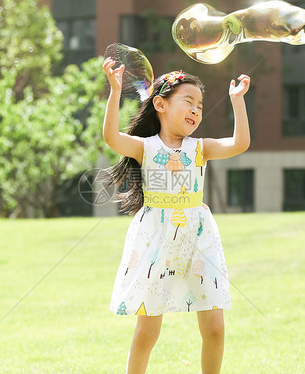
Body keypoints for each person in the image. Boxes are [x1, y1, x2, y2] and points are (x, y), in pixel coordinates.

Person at [102, 56, 251, 374]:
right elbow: (112, 138)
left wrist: (237, 101)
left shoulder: (200, 148)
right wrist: (115, 91)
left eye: (200, 104)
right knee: (147, 331)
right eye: (188, 101)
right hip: (156, 240)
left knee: (214, 327)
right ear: (160, 104)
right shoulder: (146, 148)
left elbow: (240, 143)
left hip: (199, 238)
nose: (196, 110)